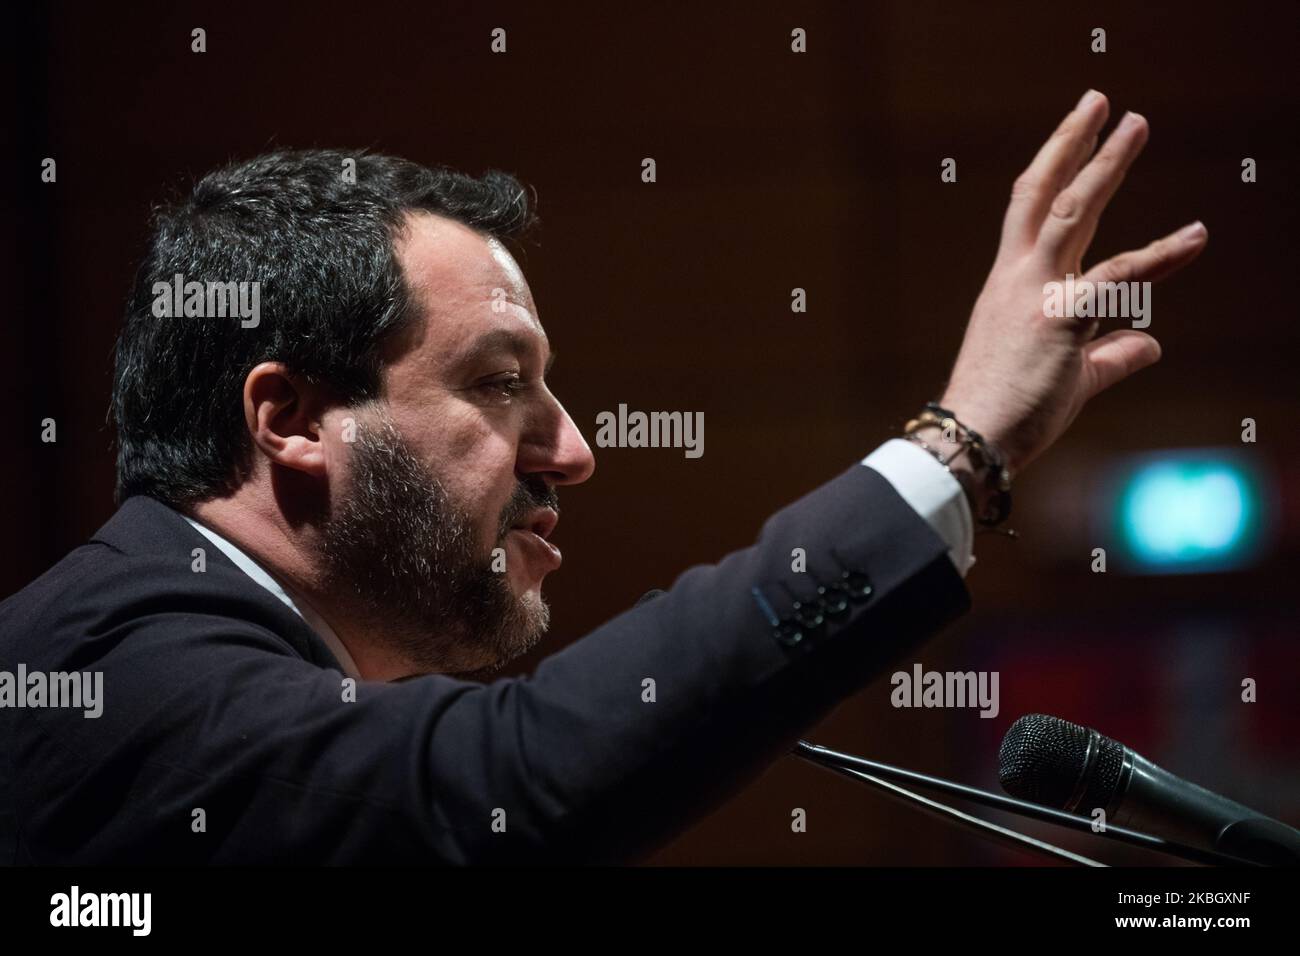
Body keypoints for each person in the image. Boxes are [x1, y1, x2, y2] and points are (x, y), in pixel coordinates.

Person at [0, 90, 1206, 863]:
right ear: (292, 417)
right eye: (495, 381)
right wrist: (960, 441)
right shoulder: (109, 672)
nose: (571, 451)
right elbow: (508, 782)